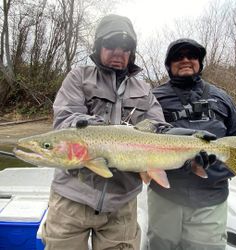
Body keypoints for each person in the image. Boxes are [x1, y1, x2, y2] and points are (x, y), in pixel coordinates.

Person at [41, 14, 167, 250]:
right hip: (72, 198)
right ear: (98, 47)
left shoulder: (145, 90)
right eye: (110, 45)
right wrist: (104, 134)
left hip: (122, 204)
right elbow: (65, 120)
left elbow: (158, 129)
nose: (118, 52)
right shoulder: (78, 77)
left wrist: (187, 144)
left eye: (125, 46)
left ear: (132, 52)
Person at [147, 38, 236, 250]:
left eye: (191, 55)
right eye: (177, 56)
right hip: (165, 196)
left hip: (211, 197)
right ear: (168, 64)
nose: (185, 60)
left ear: (200, 62)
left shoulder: (222, 98)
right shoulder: (153, 98)